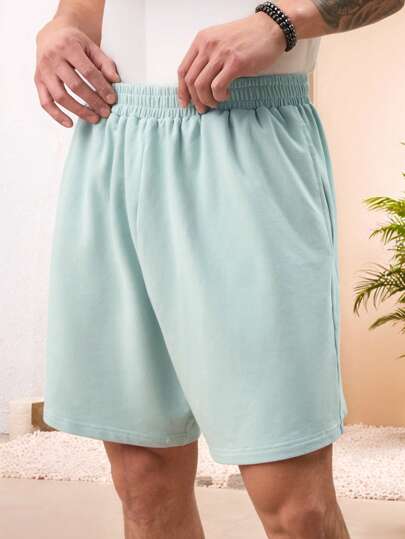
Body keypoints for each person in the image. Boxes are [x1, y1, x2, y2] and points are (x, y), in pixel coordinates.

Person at [35, 1, 404, 538]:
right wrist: (63, 25)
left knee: (293, 502)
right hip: (112, 137)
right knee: (142, 482)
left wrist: (282, 23)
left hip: (246, 130)